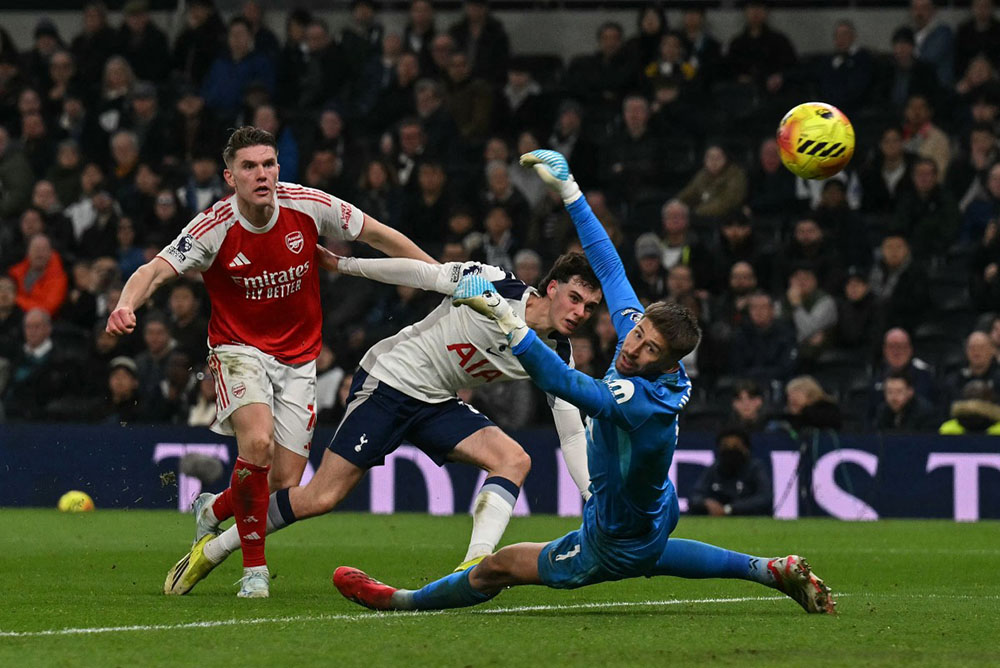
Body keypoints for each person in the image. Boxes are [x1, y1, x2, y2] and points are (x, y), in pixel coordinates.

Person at [332, 149, 835, 615]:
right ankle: (767, 569)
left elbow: (572, 387)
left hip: (610, 538)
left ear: (668, 363)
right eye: (636, 333)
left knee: (497, 567)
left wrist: (512, 325)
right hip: (656, 512)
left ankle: (400, 601)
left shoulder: (642, 397)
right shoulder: (644, 344)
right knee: (655, 551)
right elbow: (610, 264)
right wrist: (570, 190)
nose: (633, 347)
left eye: (648, 348)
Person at [106, 126, 432, 598]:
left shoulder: (309, 205)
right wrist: (125, 303)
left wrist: (443, 277)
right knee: (256, 445)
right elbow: (154, 269)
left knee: (283, 483)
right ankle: (254, 571)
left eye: (269, 164)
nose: (262, 174)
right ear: (230, 177)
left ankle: (214, 510)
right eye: (250, 167)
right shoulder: (212, 227)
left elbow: (382, 237)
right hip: (237, 351)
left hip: (299, 360)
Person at [688, 428, 772, 516]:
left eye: (735, 447)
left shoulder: (755, 468)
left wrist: (730, 509)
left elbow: (764, 498)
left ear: (746, 449)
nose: (730, 451)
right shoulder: (714, 469)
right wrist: (706, 503)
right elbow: (695, 496)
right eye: (725, 447)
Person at [874, 369, 939, 432]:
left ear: (910, 392)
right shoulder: (882, 411)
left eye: (899, 391)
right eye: (889, 392)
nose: (893, 397)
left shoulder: (924, 412)